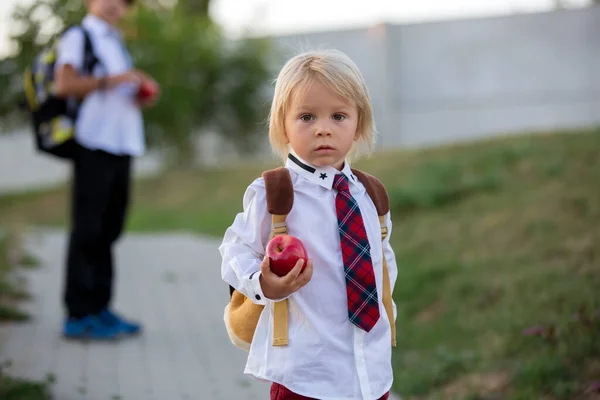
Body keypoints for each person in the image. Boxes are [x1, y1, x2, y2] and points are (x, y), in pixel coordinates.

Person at [219, 49, 398, 400]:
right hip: (306, 372)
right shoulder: (275, 193)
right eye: (306, 117)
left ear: (358, 123)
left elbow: (383, 263)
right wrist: (264, 283)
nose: (323, 129)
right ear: (282, 125)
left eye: (338, 116)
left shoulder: (370, 194)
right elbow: (234, 249)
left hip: (369, 369)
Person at [53, 0, 158, 340]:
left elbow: (114, 88)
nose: (114, 5)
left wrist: (136, 89)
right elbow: (64, 85)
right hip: (93, 142)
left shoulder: (114, 40)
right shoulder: (78, 35)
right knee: (87, 229)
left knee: (109, 229)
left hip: (122, 143)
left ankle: (100, 308)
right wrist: (112, 80)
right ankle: (78, 315)